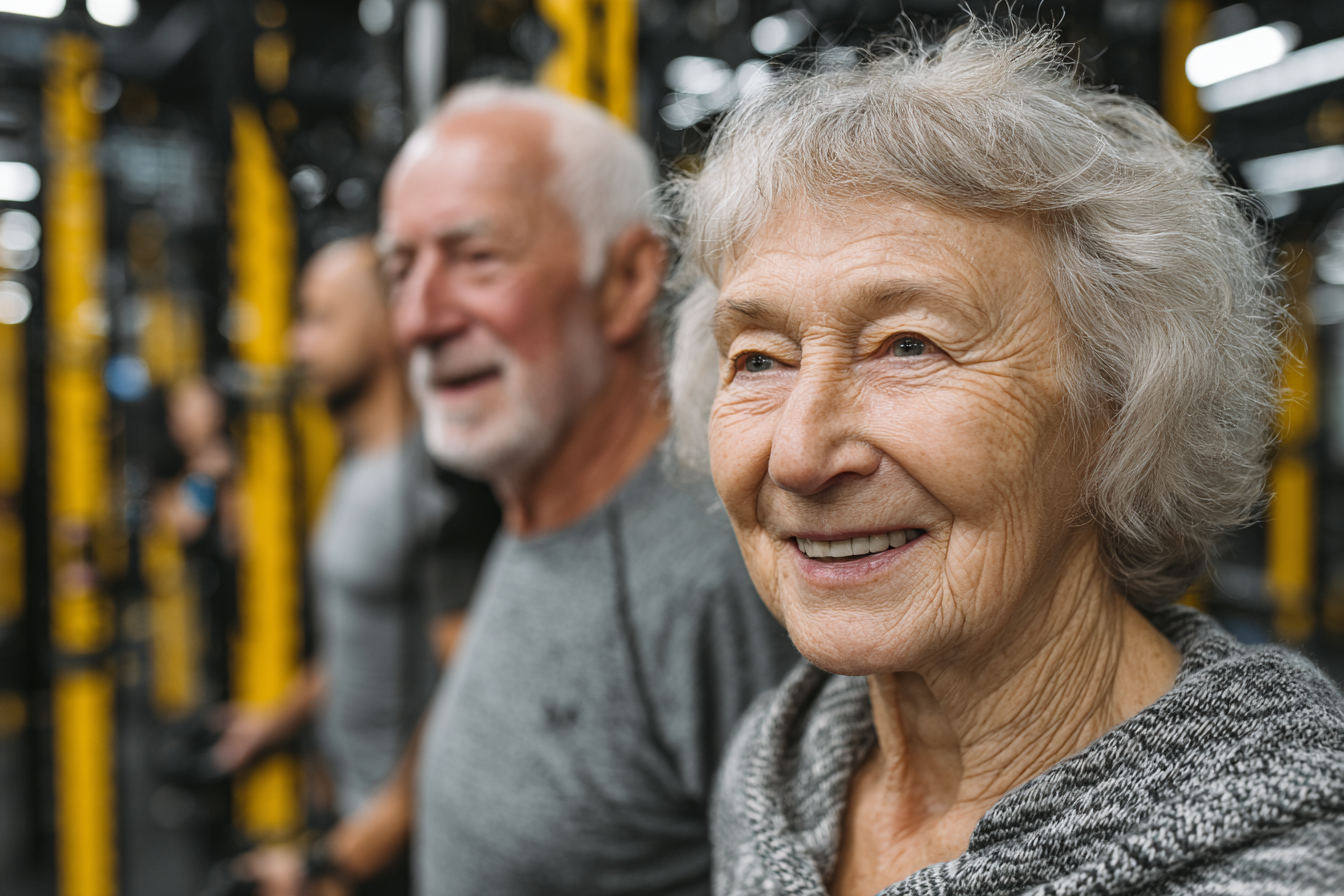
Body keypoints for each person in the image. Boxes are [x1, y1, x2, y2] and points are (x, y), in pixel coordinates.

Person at [662, 22, 1344, 896]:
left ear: (1120, 408)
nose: (798, 456)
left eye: (907, 347)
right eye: (760, 358)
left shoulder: (1281, 871)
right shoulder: (778, 768)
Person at [378, 82, 799, 895]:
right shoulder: (537, 485)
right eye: (400, 270)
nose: (417, 320)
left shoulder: (717, 574)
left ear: (627, 279)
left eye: (476, 258)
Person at [213, 237, 499, 896]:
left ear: (384, 325)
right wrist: (270, 726)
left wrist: (351, 857)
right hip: (352, 815)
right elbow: (352, 641)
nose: (296, 344)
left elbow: (474, 690)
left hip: (408, 850)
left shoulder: (433, 484)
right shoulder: (359, 463)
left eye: (319, 318)